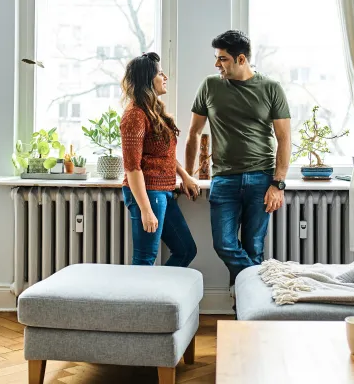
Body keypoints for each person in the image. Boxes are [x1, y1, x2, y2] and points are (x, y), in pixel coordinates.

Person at [184, 30, 292, 291]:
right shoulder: (210, 86)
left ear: (241, 59)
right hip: (224, 180)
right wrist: (187, 175)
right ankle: (261, 289)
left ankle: (246, 316)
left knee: (254, 247)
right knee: (224, 244)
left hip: (262, 178)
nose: (216, 65)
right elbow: (194, 133)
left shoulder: (271, 88)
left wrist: (278, 184)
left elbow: (284, 138)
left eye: (222, 59)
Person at [120, 51, 200, 266]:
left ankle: (162, 297)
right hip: (148, 192)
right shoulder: (135, 115)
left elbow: (165, 155)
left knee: (186, 250)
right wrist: (146, 210)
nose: (165, 78)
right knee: (145, 258)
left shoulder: (154, 112)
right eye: (160, 74)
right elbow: (132, 167)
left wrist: (185, 176)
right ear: (148, 79)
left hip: (164, 192)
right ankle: (140, 300)